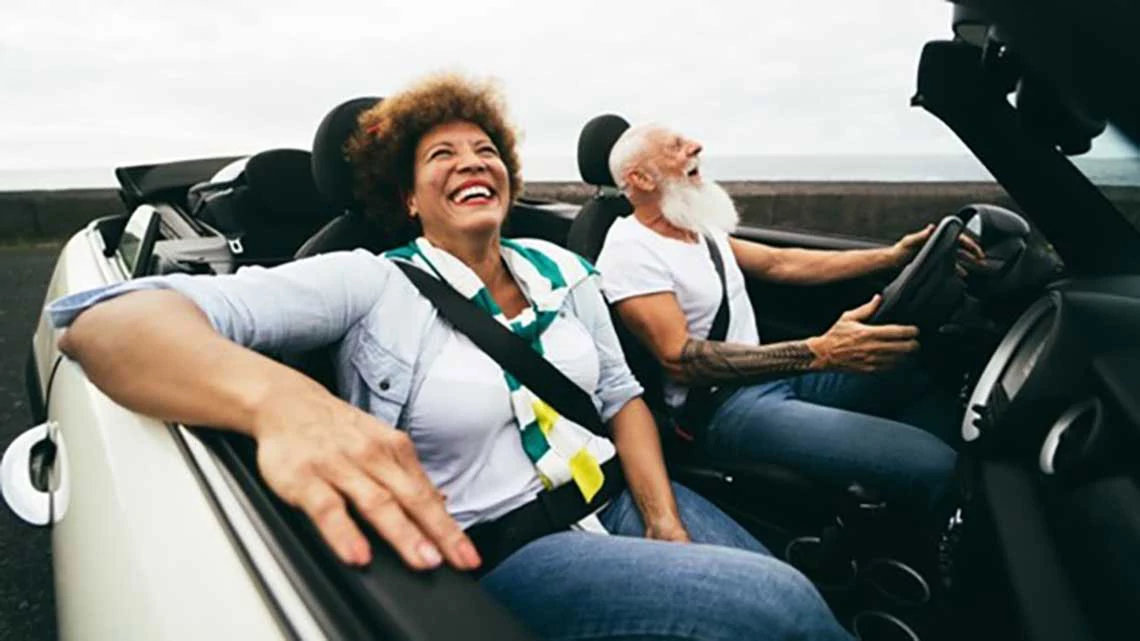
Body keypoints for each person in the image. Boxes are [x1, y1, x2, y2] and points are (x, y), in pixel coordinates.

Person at [48, 75, 853, 641]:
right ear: (407, 197)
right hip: (509, 552)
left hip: (618, 499)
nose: (470, 161)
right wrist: (278, 402)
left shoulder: (564, 270)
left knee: (803, 599)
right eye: (441, 156)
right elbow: (108, 325)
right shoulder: (370, 281)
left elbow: (619, 398)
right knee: (779, 608)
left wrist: (662, 517)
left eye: (483, 149)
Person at [595, 123, 985, 512]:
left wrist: (893, 255)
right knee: (939, 465)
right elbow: (679, 358)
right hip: (722, 408)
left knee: (924, 371)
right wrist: (818, 352)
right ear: (640, 178)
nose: (695, 146)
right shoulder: (630, 251)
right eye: (676, 147)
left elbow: (780, 263)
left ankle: (893, 513)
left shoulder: (695, 229)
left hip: (774, 377)